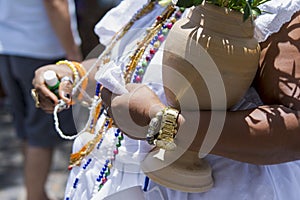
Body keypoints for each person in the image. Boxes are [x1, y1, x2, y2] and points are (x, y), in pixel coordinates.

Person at [32, 0, 300, 199]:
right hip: (118, 181)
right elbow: (127, 65)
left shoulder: (276, 10)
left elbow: (293, 132)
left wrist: (156, 120)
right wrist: (72, 73)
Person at [0, 0, 82, 199]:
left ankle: (36, 194)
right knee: (40, 135)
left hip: (8, 48)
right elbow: (55, 3)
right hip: (41, 50)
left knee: (29, 132)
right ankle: (34, 195)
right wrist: (74, 57)